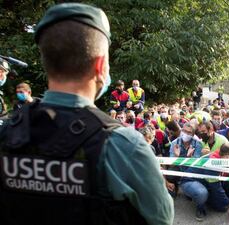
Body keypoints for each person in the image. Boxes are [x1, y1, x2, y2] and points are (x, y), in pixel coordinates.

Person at [0, 3, 173, 225]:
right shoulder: (124, 144)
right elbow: (161, 218)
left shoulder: (9, 132)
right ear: (101, 65)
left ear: (46, 62)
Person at [180, 143, 229, 221]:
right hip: (189, 181)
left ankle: (199, 196)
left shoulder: (222, 159)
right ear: (227, 157)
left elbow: (228, 181)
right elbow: (216, 187)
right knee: (202, 193)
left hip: (205, 182)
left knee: (222, 208)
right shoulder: (212, 163)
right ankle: (200, 208)